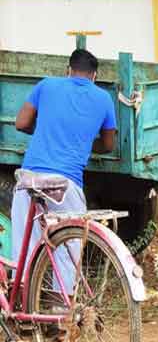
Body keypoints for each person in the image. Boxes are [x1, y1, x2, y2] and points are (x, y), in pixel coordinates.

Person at [12, 48, 116, 294]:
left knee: (24, 249)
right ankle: (61, 313)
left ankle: (23, 307)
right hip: (65, 185)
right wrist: (81, 141)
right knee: (68, 250)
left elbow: (21, 122)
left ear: (68, 70)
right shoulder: (103, 98)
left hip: (30, 179)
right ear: (94, 76)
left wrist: (44, 131)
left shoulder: (47, 85)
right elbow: (108, 145)